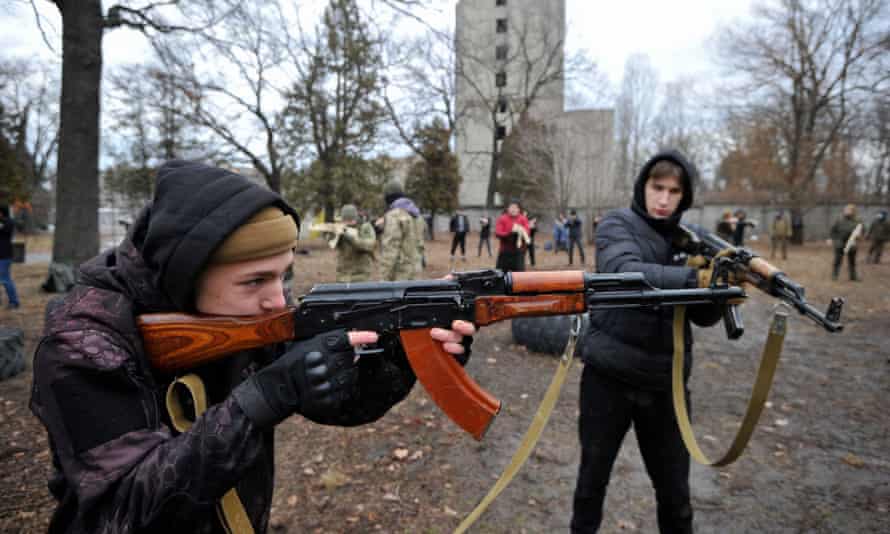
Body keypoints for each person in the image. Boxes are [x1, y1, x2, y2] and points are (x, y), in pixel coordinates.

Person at [29, 160, 475, 533]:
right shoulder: (83, 340)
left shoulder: (251, 314)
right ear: (186, 274)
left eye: (283, 275)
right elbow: (119, 510)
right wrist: (262, 399)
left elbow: (338, 404)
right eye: (255, 280)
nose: (278, 300)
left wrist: (401, 357)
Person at [571, 150, 727, 534]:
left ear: (683, 197)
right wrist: (694, 281)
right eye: (657, 187)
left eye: (674, 191)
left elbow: (703, 318)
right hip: (609, 377)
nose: (664, 199)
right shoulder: (616, 224)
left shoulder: (689, 240)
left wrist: (723, 286)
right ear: (643, 185)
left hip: (665, 384)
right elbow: (623, 273)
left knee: (676, 497)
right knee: (591, 484)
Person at [378, 179, 422, 281]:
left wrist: (383, 279)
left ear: (388, 197)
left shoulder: (394, 215)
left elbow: (390, 251)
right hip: (416, 272)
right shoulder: (416, 215)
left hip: (400, 276)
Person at [334, 203, 376, 283]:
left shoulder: (365, 227)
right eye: (345, 220)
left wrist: (350, 237)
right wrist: (335, 234)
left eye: (350, 220)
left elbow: (369, 245)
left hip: (361, 276)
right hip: (342, 276)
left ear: (355, 217)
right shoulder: (342, 228)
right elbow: (334, 245)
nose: (348, 223)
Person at [494, 199, 530, 272]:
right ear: (508, 209)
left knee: (519, 276)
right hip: (505, 251)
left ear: (519, 209)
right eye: (511, 207)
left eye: (516, 208)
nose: (513, 209)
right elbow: (498, 233)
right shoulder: (502, 218)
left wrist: (520, 232)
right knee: (501, 274)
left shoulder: (523, 219)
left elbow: (527, 232)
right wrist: (509, 233)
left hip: (519, 252)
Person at [830, 203, 862, 281]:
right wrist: (833, 239)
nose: (847, 211)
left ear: (853, 211)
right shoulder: (839, 220)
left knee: (852, 262)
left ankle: (853, 276)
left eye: (849, 210)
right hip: (840, 243)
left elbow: (861, 230)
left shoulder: (857, 221)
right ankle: (835, 275)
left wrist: (858, 236)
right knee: (837, 261)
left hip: (852, 244)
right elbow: (833, 230)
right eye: (846, 209)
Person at [0, 204, 21, 309]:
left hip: (4, 256)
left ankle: (14, 302)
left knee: (5, 279)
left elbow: (4, 230)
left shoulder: (8, 222)